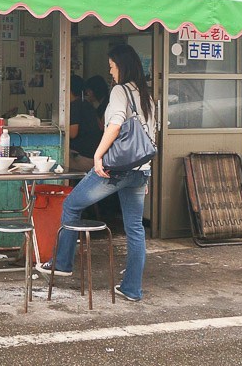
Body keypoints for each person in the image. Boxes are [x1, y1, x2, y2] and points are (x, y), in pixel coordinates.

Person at [37, 44, 156, 302]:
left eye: (112, 66)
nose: (110, 72)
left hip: (115, 170)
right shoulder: (146, 96)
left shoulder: (119, 92)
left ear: (121, 66)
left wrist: (99, 156)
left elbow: (113, 127)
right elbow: (149, 138)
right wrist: (146, 173)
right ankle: (132, 288)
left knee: (71, 205)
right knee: (135, 228)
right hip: (139, 170)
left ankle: (62, 263)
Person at [68, 74, 101, 172]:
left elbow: (73, 133)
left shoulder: (74, 105)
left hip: (83, 157)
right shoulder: (87, 104)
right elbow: (100, 125)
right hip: (93, 155)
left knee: (58, 159)